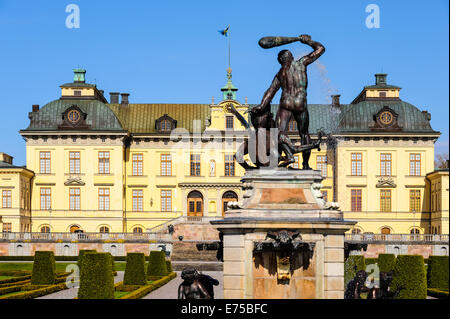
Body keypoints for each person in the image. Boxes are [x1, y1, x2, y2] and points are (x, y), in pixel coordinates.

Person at [251, 34, 325, 169]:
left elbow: (270, 92)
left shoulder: (280, 73)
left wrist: (262, 106)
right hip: (301, 103)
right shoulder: (302, 63)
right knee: (304, 133)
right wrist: (308, 41)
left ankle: (283, 157)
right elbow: (320, 49)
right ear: (291, 57)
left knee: (279, 133)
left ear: (280, 61)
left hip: (286, 103)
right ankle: (306, 164)